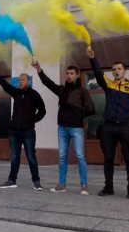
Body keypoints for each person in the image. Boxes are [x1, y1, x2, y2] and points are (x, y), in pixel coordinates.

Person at [31, 60, 95, 194]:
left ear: (77, 75)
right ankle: (62, 184)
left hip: (76, 128)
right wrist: (39, 69)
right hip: (62, 128)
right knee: (62, 156)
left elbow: (91, 109)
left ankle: (84, 186)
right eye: (67, 73)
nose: (69, 76)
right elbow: (47, 83)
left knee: (80, 156)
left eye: (71, 73)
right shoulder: (62, 90)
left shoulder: (82, 91)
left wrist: (77, 114)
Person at [87, 47, 129, 199]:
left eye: (119, 69)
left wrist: (124, 117)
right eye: (114, 70)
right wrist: (93, 58)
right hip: (109, 127)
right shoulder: (108, 85)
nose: (116, 71)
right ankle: (108, 187)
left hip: (125, 127)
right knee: (108, 158)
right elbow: (98, 74)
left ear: (124, 71)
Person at [0, 65, 46, 191]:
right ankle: (12, 180)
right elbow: (5, 86)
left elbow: (42, 111)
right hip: (13, 131)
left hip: (28, 132)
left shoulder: (34, 95)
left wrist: (32, 120)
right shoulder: (16, 92)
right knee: (15, 156)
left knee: (31, 156)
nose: (20, 82)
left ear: (28, 81)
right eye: (19, 80)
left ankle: (36, 181)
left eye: (23, 80)